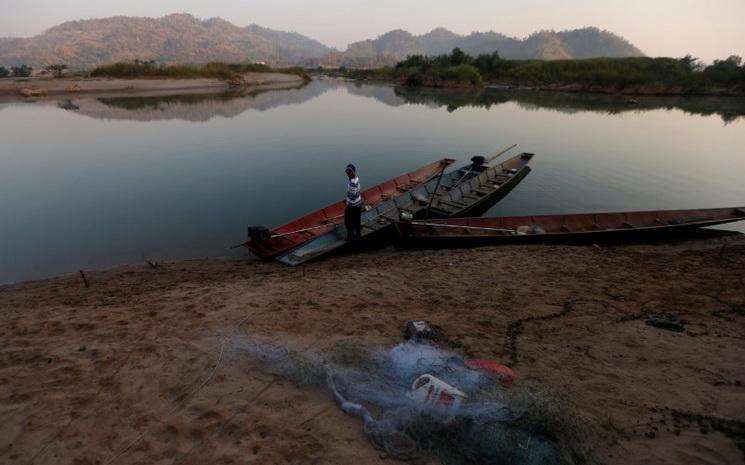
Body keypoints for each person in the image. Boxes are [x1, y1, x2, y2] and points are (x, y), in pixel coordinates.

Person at [344, 164, 362, 241]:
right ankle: (358, 234)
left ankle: (350, 237)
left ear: (353, 171)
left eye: (349, 171)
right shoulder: (356, 178)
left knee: (348, 222)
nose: (347, 172)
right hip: (358, 204)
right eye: (346, 170)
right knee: (356, 220)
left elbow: (353, 196)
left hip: (353, 206)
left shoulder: (353, 183)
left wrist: (348, 206)